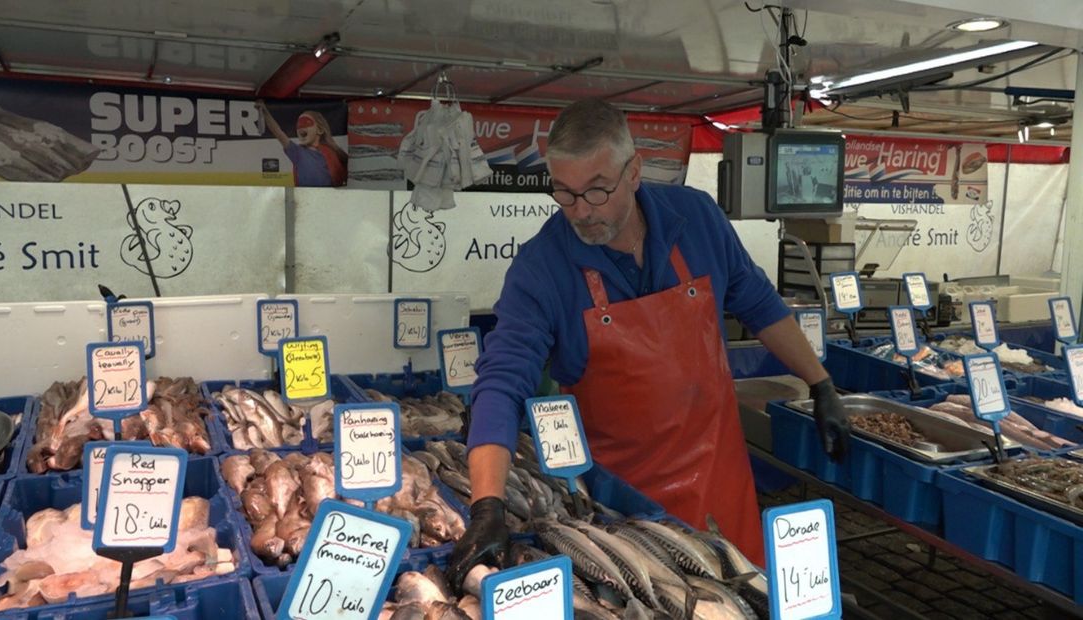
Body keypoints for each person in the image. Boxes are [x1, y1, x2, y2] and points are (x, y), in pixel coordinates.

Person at [446, 99, 849, 588]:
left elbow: (760, 304)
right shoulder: (541, 267)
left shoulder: (696, 218)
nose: (581, 212)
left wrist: (821, 382)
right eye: (564, 194)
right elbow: (502, 382)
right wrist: (487, 506)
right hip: (621, 506)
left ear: (633, 171)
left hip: (720, 477)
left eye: (597, 191)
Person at [256, 100, 348, 187]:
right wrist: (265, 112)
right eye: (299, 125)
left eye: (306, 123)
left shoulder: (331, 153)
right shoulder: (297, 152)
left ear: (320, 130)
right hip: (304, 197)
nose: (301, 128)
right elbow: (278, 133)